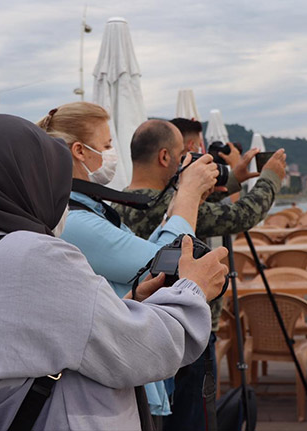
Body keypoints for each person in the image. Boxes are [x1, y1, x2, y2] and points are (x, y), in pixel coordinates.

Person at [0, 113, 228, 430]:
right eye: (41, 172)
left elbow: (36, 338)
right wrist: (192, 288)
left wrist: (130, 304)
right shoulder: (30, 257)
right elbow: (144, 351)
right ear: (18, 179)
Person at [36, 103, 222, 426]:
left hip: (126, 374)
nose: (112, 154)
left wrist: (176, 207)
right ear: (80, 151)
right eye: (106, 145)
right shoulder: (73, 222)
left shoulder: (87, 209)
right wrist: (188, 194)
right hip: (117, 385)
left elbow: (143, 253)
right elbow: (161, 262)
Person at [112, 117, 287, 431]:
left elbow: (192, 201)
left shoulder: (119, 203)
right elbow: (242, 214)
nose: (188, 163)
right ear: (166, 158)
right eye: (183, 155)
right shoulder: (179, 210)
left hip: (145, 326)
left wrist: (233, 178)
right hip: (188, 331)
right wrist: (270, 178)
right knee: (194, 419)